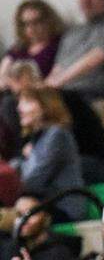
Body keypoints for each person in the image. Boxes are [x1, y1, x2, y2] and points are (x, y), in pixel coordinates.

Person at [3, 62, 104, 184]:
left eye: (27, 98)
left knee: (56, 168)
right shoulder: (31, 124)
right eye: (18, 96)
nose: (19, 105)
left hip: (98, 163)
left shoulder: (66, 106)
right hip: (70, 164)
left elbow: (60, 155)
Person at [11, 87, 84, 221]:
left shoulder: (57, 135)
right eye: (19, 103)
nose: (19, 108)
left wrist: (8, 184)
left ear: (45, 105)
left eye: (26, 102)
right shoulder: (34, 139)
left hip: (63, 208)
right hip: (42, 205)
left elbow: (35, 180)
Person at [0, 0, 64, 83]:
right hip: (11, 93)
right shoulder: (18, 49)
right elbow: (2, 76)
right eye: (26, 24)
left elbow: (55, 79)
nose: (31, 28)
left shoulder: (59, 45)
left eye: (36, 22)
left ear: (48, 20)